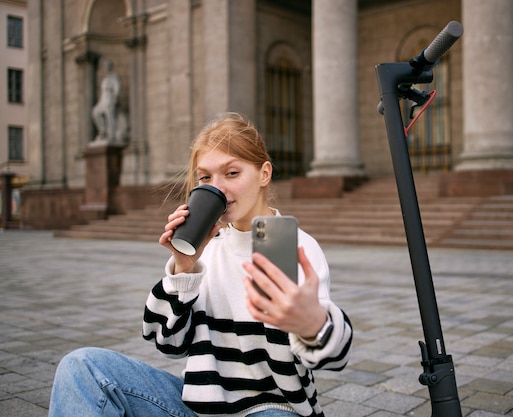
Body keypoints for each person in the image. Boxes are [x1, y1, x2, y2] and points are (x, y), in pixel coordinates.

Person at [48, 112, 353, 417]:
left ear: (264, 174)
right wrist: (183, 269)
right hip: (197, 410)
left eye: (231, 173)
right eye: (205, 177)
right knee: (81, 367)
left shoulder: (294, 245)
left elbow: (335, 356)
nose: (217, 187)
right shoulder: (205, 248)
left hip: (273, 407)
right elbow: (169, 345)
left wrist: (311, 323)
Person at [91, 59, 121, 143]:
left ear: (110, 67)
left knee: (110, 116)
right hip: (103, 99)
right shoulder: (105, 79)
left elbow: (117, 89)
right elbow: (102, 91)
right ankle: (103, 131)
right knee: (95, 112)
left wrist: (114, 100)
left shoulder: (114, 77)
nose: (105, 68)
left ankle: (112, 134)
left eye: (107, 66)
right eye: (105, 66)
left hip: (110, 98)